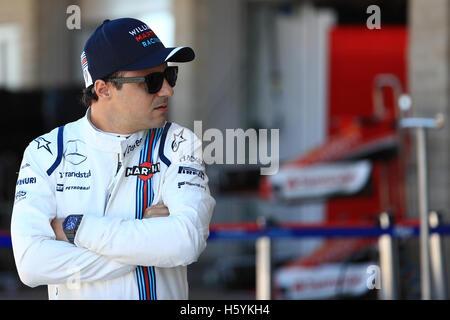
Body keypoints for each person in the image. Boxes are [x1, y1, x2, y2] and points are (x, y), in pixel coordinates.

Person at [10, 17, 215, 300]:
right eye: (152, 81)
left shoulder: (180, 144)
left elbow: (186, 242)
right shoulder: (46, 152)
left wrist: (74, 228)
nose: (168, 90)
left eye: (170, 76)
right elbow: (32, 263)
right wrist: (150, 244)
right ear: (103, 89)